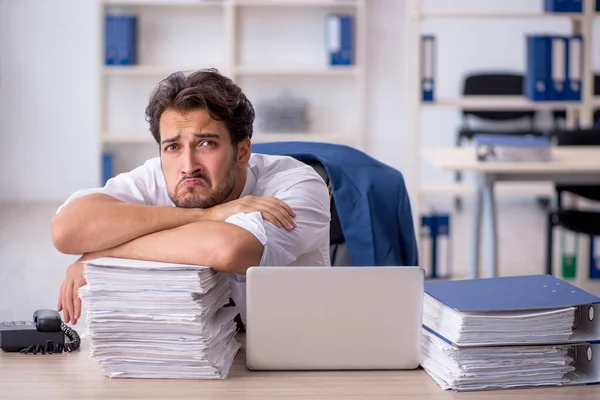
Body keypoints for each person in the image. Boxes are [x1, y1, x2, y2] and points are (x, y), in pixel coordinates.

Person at [52, 69, 331, 326]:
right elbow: (67, 230)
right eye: (172, 146)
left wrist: (101, 254)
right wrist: (204, 215)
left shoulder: (297, 183)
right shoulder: (157, 177)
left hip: (295, 353)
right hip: (187, 357)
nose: (188, 166)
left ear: (242, 151)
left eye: (207, 144)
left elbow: (227, 249)